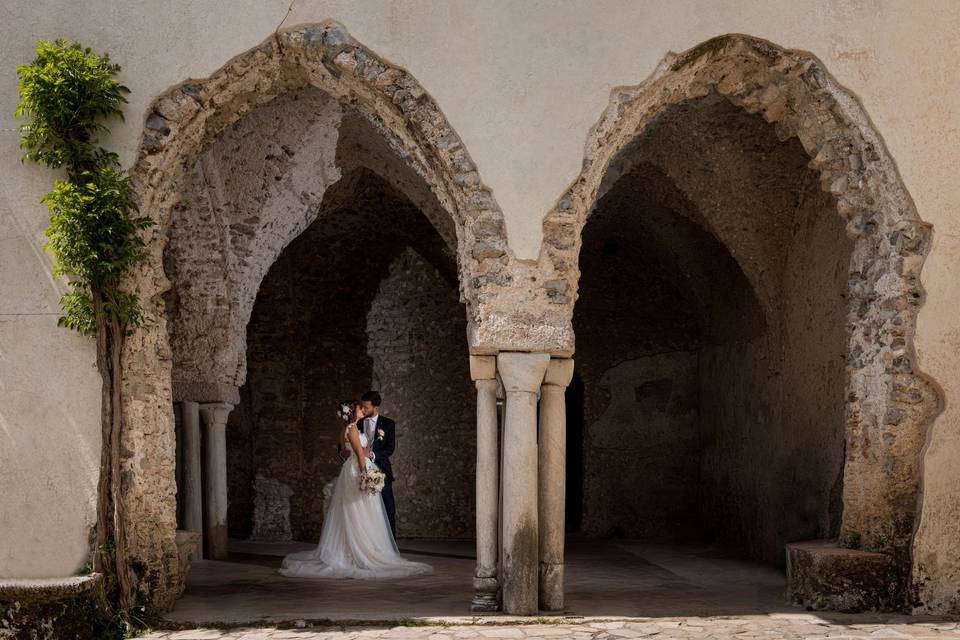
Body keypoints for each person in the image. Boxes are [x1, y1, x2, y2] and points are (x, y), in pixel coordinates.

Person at [278, 400, 430, 579]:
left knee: (350, 511)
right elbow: (359, 454)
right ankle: (363, 551)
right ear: (352, 412)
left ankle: (348, 547)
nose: (362, 410)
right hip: (358, 470)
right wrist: (368, 474)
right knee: (363, 511)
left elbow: (344, 452)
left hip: (347, 472)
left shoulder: (344, 430)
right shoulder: (353, 429)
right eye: (359, 408)